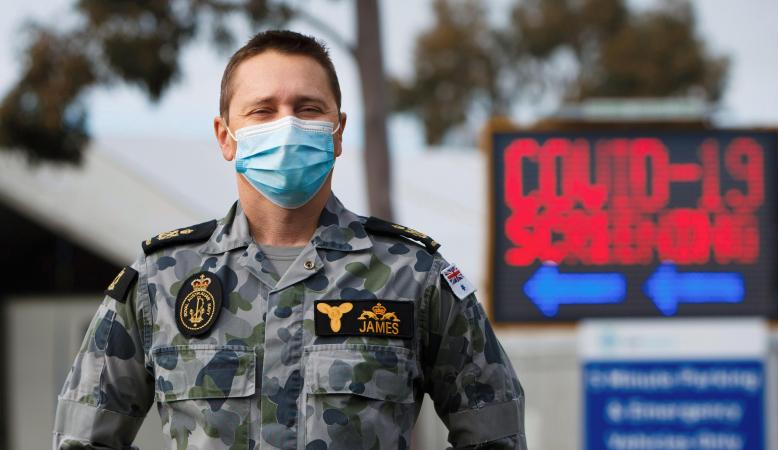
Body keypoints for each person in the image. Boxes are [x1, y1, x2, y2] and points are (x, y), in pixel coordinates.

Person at [53, 30, 526, 450]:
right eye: (263, 110)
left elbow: (495, 435)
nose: (287, 125)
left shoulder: (415, 276)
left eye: (307, 108)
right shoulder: (161, 281)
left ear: (338, 132)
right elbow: (83, 439)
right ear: (226, 137)